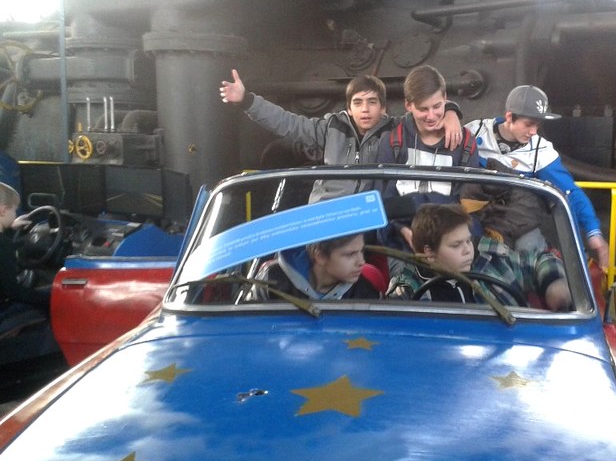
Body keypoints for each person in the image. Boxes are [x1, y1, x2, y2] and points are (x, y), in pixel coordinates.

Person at [219, 70, 464, 203]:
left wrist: (452, 111)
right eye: (358, 103)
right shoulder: (330, 128)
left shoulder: (395, 130)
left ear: (383, 108)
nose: (365, 109)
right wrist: (247, 101)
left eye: (372, 102)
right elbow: (288, 123)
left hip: (367, 214)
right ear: (349, 108)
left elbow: (425, 110)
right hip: (326, 209)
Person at [464, 85, 610, 269]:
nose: (534, 131)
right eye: (528, 124)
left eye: (538, 125)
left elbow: (570, 192)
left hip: (514, 225)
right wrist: (451, 113)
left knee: (531, 257)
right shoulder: (474, 132)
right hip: (471, 221)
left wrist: (593, 231)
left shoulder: (540, 151)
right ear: (509, 117)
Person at [376, 65, 482, 260]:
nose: (431, 116)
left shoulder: (466, 143)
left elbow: (468, 202)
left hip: (451, 242)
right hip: (403, 243)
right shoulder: (392, 141)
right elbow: (384, 200)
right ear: (408, 105)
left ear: (446, 100)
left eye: (437, 106)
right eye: (423, 109)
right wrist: (402, 230)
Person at [388, 203, 571, 311]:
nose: (468, 250)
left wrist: (553, 282)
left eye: (468, 241)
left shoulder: (491, 258)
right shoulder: (408, 288)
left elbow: (538, 259)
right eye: (456, 245)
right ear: (429, 253)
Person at [252, 233, 380, 301]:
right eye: (350, 254)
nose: (361, 262)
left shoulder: (364, 293)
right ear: (320, 256)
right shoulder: (271, 281)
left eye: (361, 251)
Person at [0, 183, 51, 331]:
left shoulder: (5, 242)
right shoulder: (3, 245)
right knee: (57, 293)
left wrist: (10, 226)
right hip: (3, 309)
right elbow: (13, 291)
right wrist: (47, 300)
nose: (15, 215)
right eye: (14, 210)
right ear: (3, 210)